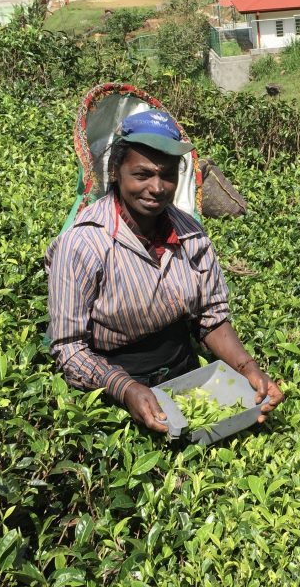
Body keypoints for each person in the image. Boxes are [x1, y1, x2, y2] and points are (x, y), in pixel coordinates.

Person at [46, 110, 283, 433]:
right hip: (114, 389)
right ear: (116, 171)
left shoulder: (190, 234)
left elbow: (211, 316)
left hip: (186, 376)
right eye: (142, 174)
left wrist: (247, 368)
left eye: (167, 175)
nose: (157, 187)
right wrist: (125, 389)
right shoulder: (83, 244)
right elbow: (69, 347)